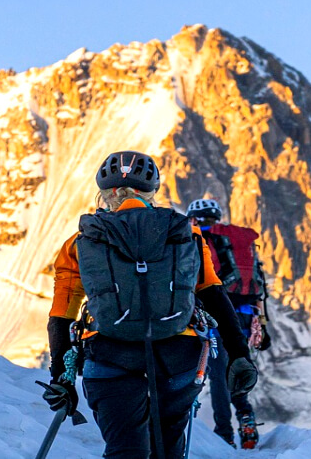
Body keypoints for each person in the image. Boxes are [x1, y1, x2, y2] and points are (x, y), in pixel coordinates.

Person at [41, 151, 258, 459]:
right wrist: (239, 354)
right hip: (179, 358)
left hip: (109, 357)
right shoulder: (187, 233)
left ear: (109, 193)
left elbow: (62, 313)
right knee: (168, 449)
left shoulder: (80, 241)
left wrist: (60, 376)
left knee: (125, 450)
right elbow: (213, 293)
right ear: (151, 192)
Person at [185, 198, 272, 449]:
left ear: (195, 218)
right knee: (237, 365)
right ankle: (246, 418)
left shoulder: (199, 239)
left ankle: (224, 433)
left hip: (217, 315)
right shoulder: (240, 242)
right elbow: (261, 290)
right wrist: (263, 327)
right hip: (247, 316)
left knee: (219, 375)